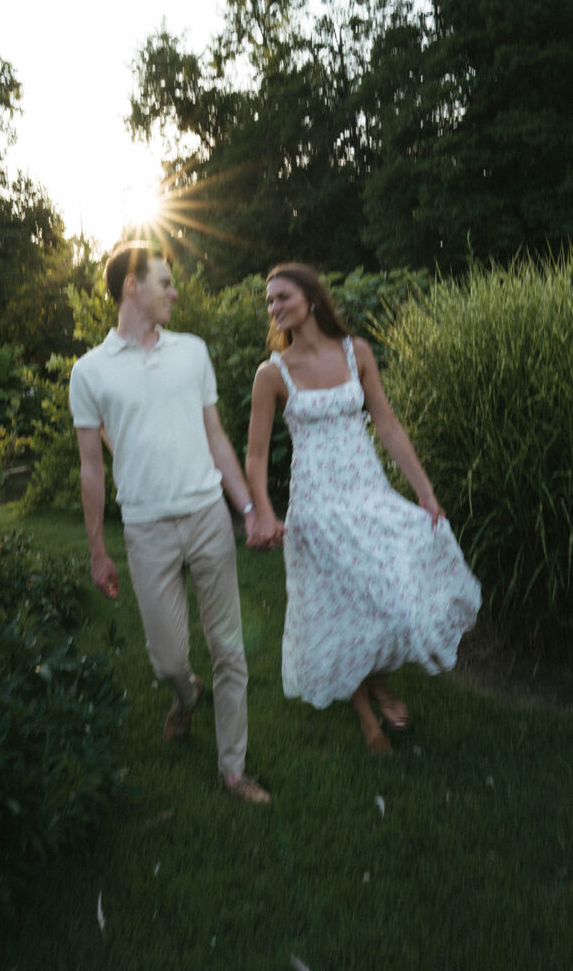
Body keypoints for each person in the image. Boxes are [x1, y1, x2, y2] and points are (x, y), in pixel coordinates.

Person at [245, 263, 481, 753]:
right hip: (316, 505)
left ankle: (374, 679)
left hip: (368, 494)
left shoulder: (357, 354)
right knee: (337, 608)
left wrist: (425, 491)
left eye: (282, 296)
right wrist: (264, 512)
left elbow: (389, 425)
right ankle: (366, 715)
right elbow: (256, 453)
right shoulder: (273, 374)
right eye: (269, 302)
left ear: (311, 298)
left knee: (392, 601)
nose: (275, 307)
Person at [69, 241, 270, 802]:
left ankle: (233, 769)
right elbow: (90, 467)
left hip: (208, 516)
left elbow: (216, 437)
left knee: (230, 649)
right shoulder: (89, 372)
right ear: (131, 286)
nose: (174, 291)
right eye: (164, 281)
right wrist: (97, 550)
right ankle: (184, 696)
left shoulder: (192, 352)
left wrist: (247, 508)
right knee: (168, 660)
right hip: (147, 529)